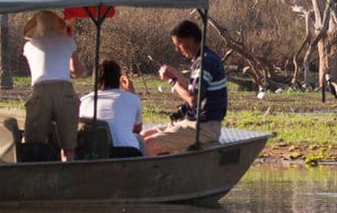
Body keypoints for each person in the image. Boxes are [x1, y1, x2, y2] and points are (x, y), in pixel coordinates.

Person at [141, 19, 227, 155]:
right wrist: (176, 74)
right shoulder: (203, 59)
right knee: (143, 136)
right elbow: (193, 89)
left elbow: (193, 98)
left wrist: (172, 80)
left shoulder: (204, 62)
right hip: (193, 122)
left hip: (204, 127)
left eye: (179, 44)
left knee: (148, 144)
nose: (177, 49)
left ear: (191, 39)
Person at [22, 10, 84, 162]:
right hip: (64, 89)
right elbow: (77, 72)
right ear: (58, 26)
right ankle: (68, 170)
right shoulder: (68, 42)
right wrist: (70, 37)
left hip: (40, 89)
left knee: (33, 142)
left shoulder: (29, 46)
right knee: (68, 146)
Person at [78, 59, 144, 158]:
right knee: (140, 140)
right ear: (118, 78)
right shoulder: (132, 98)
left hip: (94, 153)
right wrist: (131, 93)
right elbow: (137, 129)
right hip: (127, 153)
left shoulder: (84, 100)